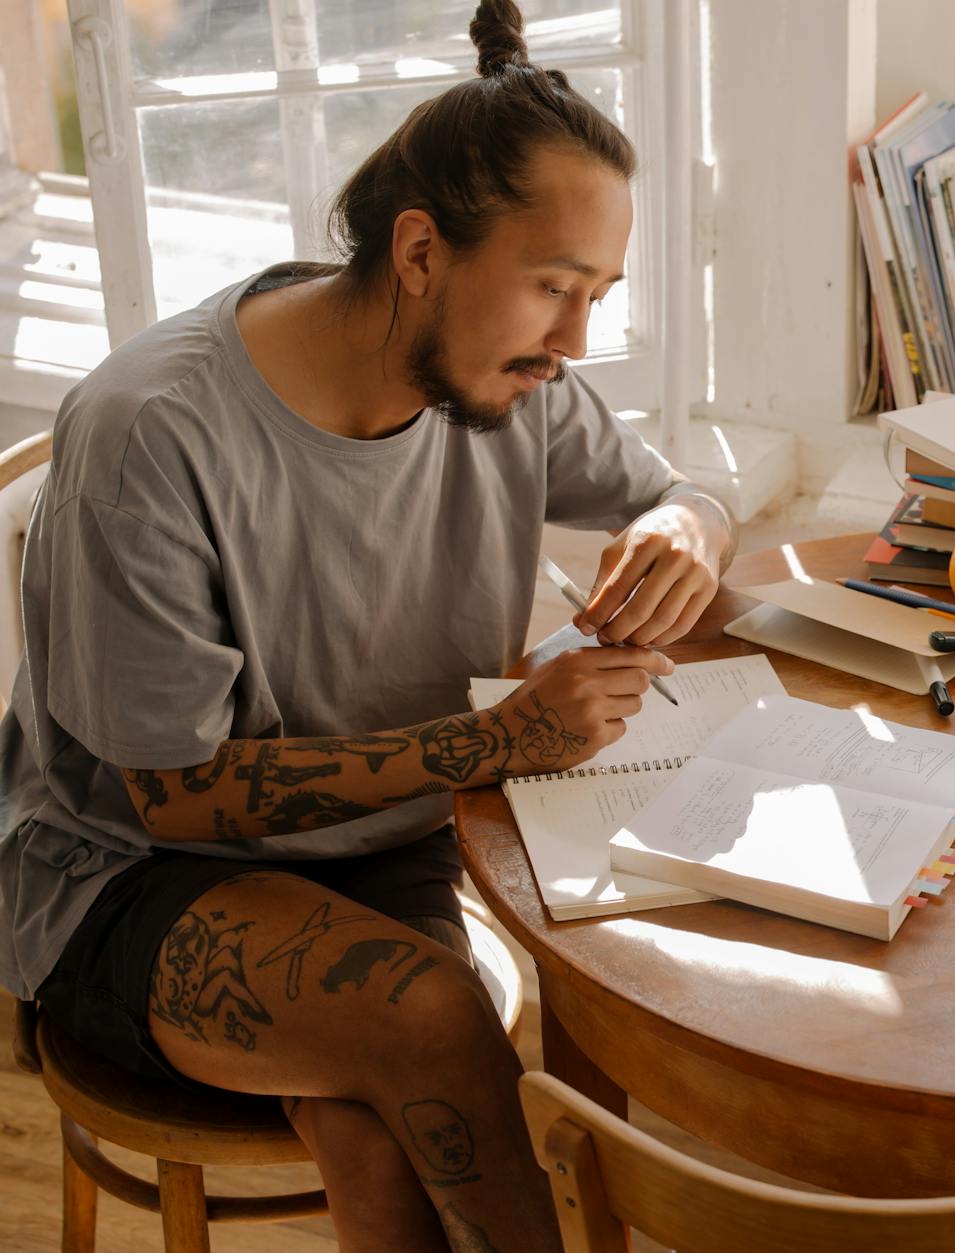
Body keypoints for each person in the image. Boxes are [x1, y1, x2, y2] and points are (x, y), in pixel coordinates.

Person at [0, 2, 731, 1248]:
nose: (576, 341)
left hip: (380, 850)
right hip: (124, 872)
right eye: (553, 287)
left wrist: (690, 530)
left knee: (379, 1128)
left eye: (598, 292)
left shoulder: (508, 383)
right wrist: (498, 740)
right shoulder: (151, 437)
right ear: (419, 251)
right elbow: (173, 796)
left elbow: (677, 486)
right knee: (434, 1024)